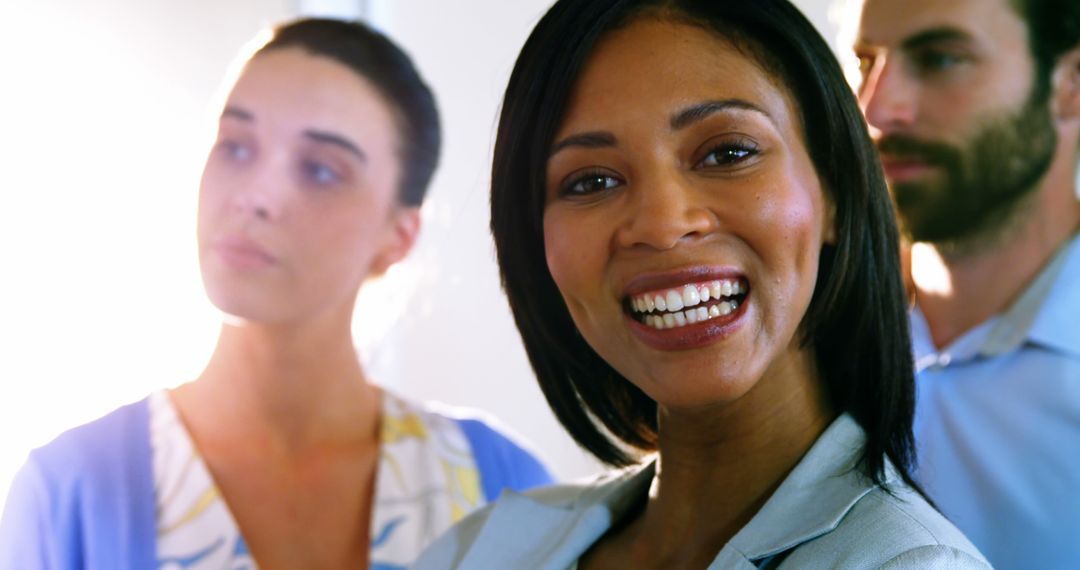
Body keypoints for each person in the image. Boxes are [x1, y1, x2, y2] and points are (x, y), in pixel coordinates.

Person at [414, 0, 989, 567]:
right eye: (591, 181)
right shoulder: (478, 550)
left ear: (834, 191)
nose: (663, 226)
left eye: (728, 152)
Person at [0, 18, 551, 570]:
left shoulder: (500, 488)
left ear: (397, 236)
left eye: (319, 169)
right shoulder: (68, 494)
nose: (255, 196)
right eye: (236, 147)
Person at [853, 0, 1080, 566]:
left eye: (940, 60)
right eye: (865, 65)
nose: (877, 109)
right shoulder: (801, 333)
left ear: (1071, 85)